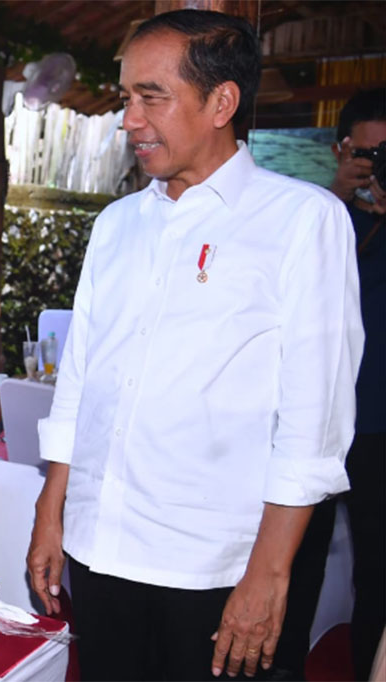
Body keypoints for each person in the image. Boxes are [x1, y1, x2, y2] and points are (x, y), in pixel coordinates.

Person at [25, 10, 363, 681]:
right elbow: (81, 380)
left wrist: (268, 575)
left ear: (222, 102)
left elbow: (312, 427)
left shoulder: (301, 222)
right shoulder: (117, 225)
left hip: (215, 566)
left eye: (152, 97)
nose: (130, 120)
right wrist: (51, 509)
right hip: (101, 550)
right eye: (127, 98)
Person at [282, 87, 385, 682]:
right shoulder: (316, 215)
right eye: (365, 153)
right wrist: (338, 195)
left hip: (378, 423)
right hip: (314, 421)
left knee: (378, 576)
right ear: (341, 149)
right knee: (293, 574)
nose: (375, 164)